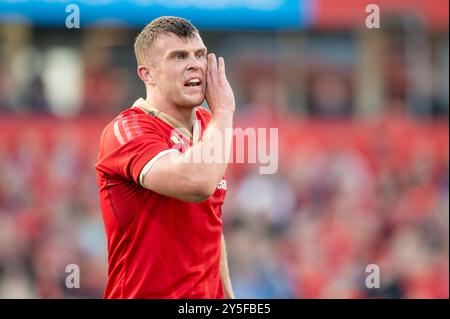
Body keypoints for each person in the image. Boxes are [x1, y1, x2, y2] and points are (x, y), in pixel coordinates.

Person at [95, 16, 235, 298]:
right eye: (178, 56)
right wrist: (225, 112)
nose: (194, 64)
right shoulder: (128, 129)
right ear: (148, 74)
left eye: (199, 54)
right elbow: (197, 183)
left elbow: (211, 225)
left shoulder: (209, 126)